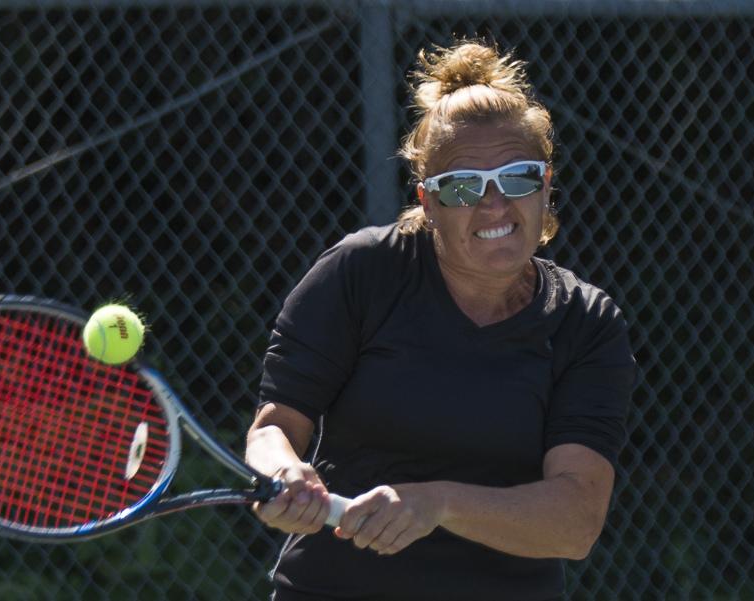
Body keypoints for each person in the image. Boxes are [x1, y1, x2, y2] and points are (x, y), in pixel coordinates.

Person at [245, 37, 635, 601]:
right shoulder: (362, 272)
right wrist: (284, 474)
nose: (495, 205)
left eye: (519, 178)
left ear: (546, 186)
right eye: (463, 186)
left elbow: (575, 523)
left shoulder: (586, 323)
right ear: (428, 203)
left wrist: (438, 503)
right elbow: (275, 427)